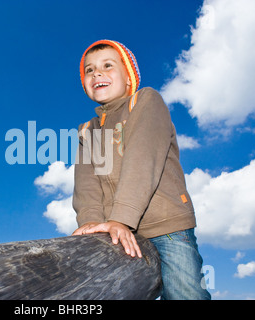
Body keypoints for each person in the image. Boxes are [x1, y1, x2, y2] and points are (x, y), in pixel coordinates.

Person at [71, 39, 211, 300]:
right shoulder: (87, 131)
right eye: (89, 70)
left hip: (167, 226)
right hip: (115, 232)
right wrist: (90, 221)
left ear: (128, 78)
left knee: (186, 293)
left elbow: (143, 160)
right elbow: (86, 183)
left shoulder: (146, 101)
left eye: (108, 65)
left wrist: (121, 218)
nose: (97, 73)